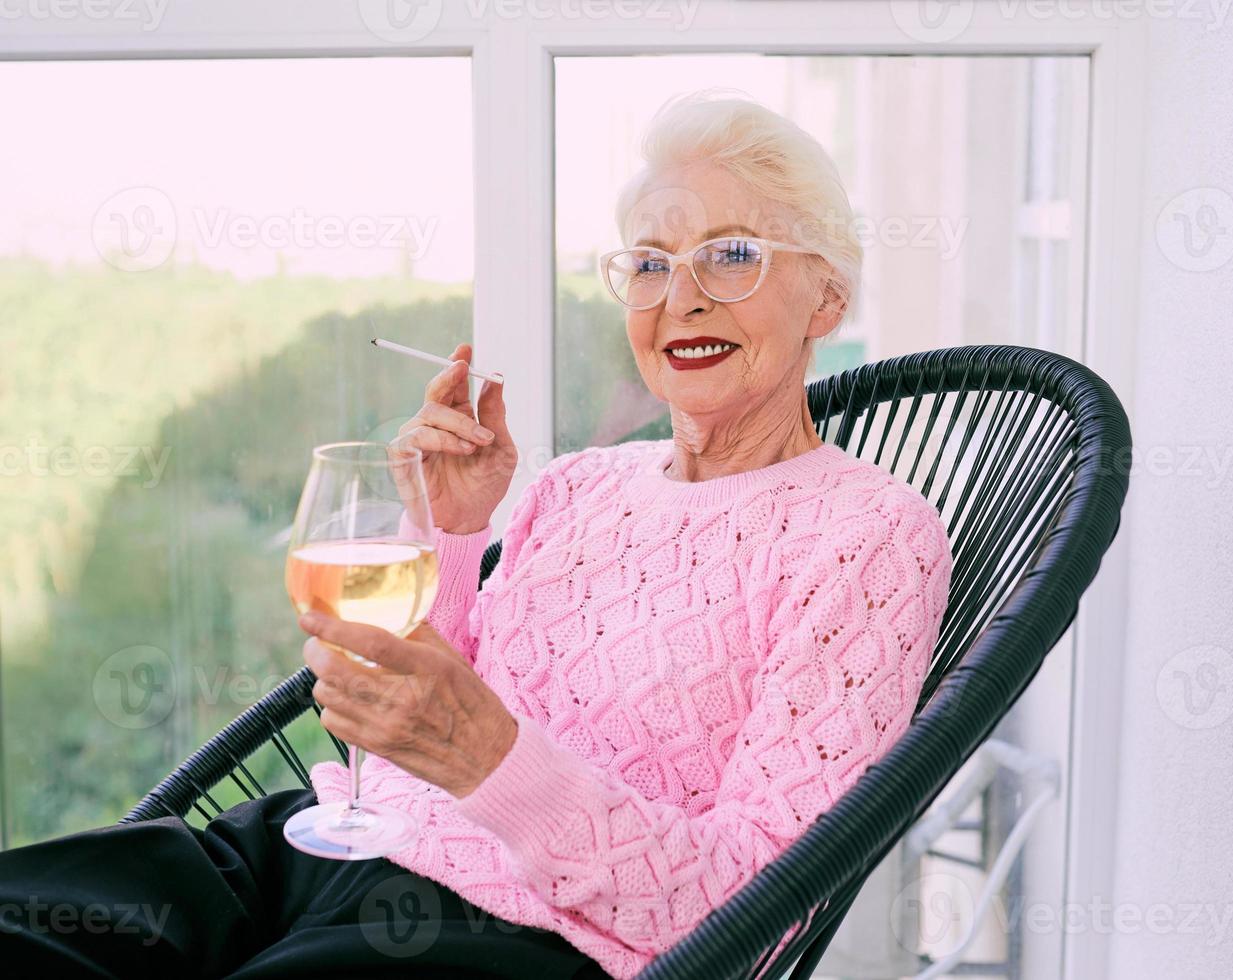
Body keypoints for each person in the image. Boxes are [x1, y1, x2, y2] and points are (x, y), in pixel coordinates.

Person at [0, 90, 953, 980]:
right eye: (652, 263)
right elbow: (422, 709)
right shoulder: (583, 484)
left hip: (508, 932)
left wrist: (490, 761)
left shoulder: (868, 538)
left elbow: (757, 907)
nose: (681, 297)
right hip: (337, 837)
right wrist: (449, 533)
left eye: (733, 254)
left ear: (826, 298)